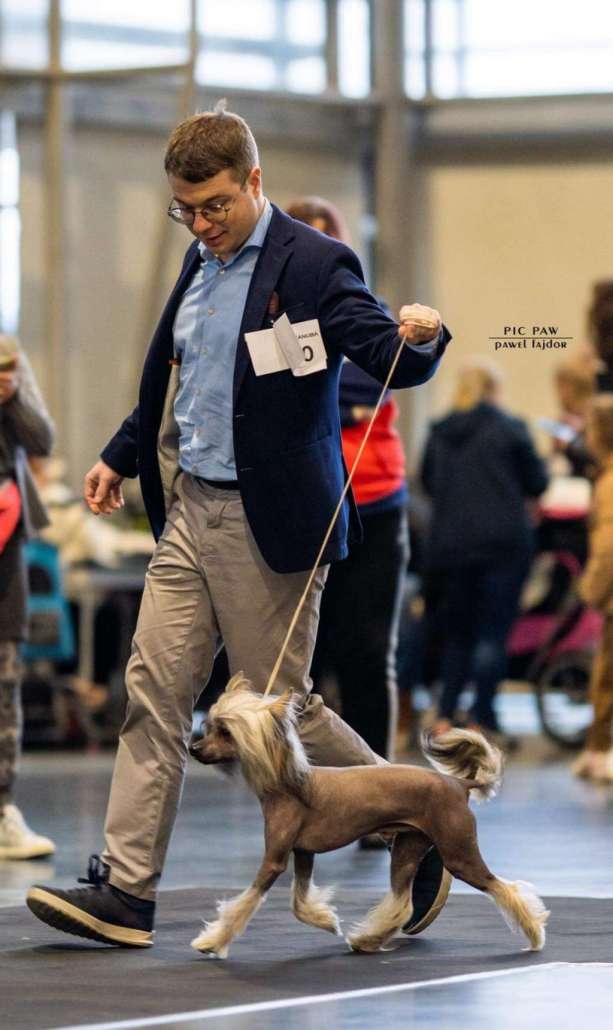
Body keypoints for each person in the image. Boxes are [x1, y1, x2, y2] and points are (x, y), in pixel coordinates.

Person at [27, 102, 451, 947]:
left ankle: (422, 813)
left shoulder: (316, 261)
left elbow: (386, 356)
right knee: (153, 692)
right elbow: (178, 383)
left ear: (255, 181)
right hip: (189, 508)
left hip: (272, 524)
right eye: (185, 210)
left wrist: (425, 335)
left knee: (282, 710)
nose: (201, 224)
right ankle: (127, 891)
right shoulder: (198, 262)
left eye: (215, 205)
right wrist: (120, 453)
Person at [286, 197, 409, 776]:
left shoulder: (366, 309)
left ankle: (379, 783)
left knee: (370, 654)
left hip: (377, 507)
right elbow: (278, 395)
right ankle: (310, 784)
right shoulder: (269, 316)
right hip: (309, 507)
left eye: (327, 239)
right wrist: (333, 401)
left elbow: (370, 384)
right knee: (310, 656)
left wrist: (315, 393)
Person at [421, 360, 548, 744]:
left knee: (458, 635)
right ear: (493, 390)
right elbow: (538, 482)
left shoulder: (439, 432)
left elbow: (427, 483)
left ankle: (445, 716)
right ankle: (482, 719)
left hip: (451, 548)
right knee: (492, 635)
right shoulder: (510, 428)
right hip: (503, 546)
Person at [0, 334, 55, 859]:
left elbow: (42, 441)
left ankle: (2, 812)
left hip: (5, 548)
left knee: (4, 683)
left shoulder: (8, 355)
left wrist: (13, 397)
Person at [572, 395, 613, 782]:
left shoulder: (608, 484)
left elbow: (608, 549)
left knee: (606, 677)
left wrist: (590, 591)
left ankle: (600, 751)